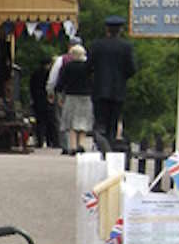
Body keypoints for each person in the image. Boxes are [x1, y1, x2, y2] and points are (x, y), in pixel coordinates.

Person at [89, 15, 137, 145]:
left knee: (100, 121)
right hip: (118, 90)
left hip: (99, 89)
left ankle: (100, 145)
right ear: (120, 30)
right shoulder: (126, 47)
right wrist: (122, 78)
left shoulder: (97, 45)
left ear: (107, 29)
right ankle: (110, 146)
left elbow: (89, 66)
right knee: (113, 121)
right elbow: (132, 69)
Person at [55, 44, 93, 154]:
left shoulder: (67, 66)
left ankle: (72, 146)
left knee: (71, 122)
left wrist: (58, 93)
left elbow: (61, 82)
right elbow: (93, 81)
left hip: (71, 96)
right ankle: (81, 144)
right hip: (86, 96)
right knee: (83, 121)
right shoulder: (88, 67)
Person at [28, 58, 56, 149]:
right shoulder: (49, 74)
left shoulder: (35, 73)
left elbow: (31, 86)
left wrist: (32, 98)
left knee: (40, 122)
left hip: (37, 100)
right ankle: (50, 141)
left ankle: (39, 141)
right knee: (50, 121)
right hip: (47, 100)